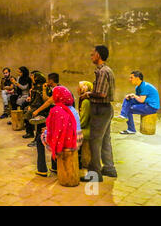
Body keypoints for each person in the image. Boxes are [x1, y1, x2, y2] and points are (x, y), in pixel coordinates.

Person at [80, 45, 117, 182]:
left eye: (93, 54)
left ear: (99, 55)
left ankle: (95, 174)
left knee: (95, 141)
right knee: (106, 139)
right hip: (106, 109)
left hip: (100, 109)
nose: (91, 55)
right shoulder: (108, 70)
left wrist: (88, 94)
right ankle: (109, 168)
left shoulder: (102, 72)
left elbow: (101, 93)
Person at [39, 86, 83, 176]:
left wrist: (47, 131)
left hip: (70, 141)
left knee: (40, 138)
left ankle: (42, 169)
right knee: (51, 134)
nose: (52, 97)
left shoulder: (57, 110)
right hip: (78, 138)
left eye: (53, 95)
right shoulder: (72, 108)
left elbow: (57, 132)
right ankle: (55, 167)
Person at [22, 72, 48, 141]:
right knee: (25, 109)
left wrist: (31, 106)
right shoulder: (35, 86)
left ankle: (37, 138)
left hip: (40, 108)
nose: (31, 77)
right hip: (36, 106)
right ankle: (30, 132)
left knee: (28, 114)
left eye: (33, 76)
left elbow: (39, 101)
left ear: (37, 78)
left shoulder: (40, 87)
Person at [78, 81, 93, 167]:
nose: (78, 89)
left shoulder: (85, 102)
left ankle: (81, 161)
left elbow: (83, 122)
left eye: (80, 87)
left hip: (88, 130)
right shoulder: (84, 100)